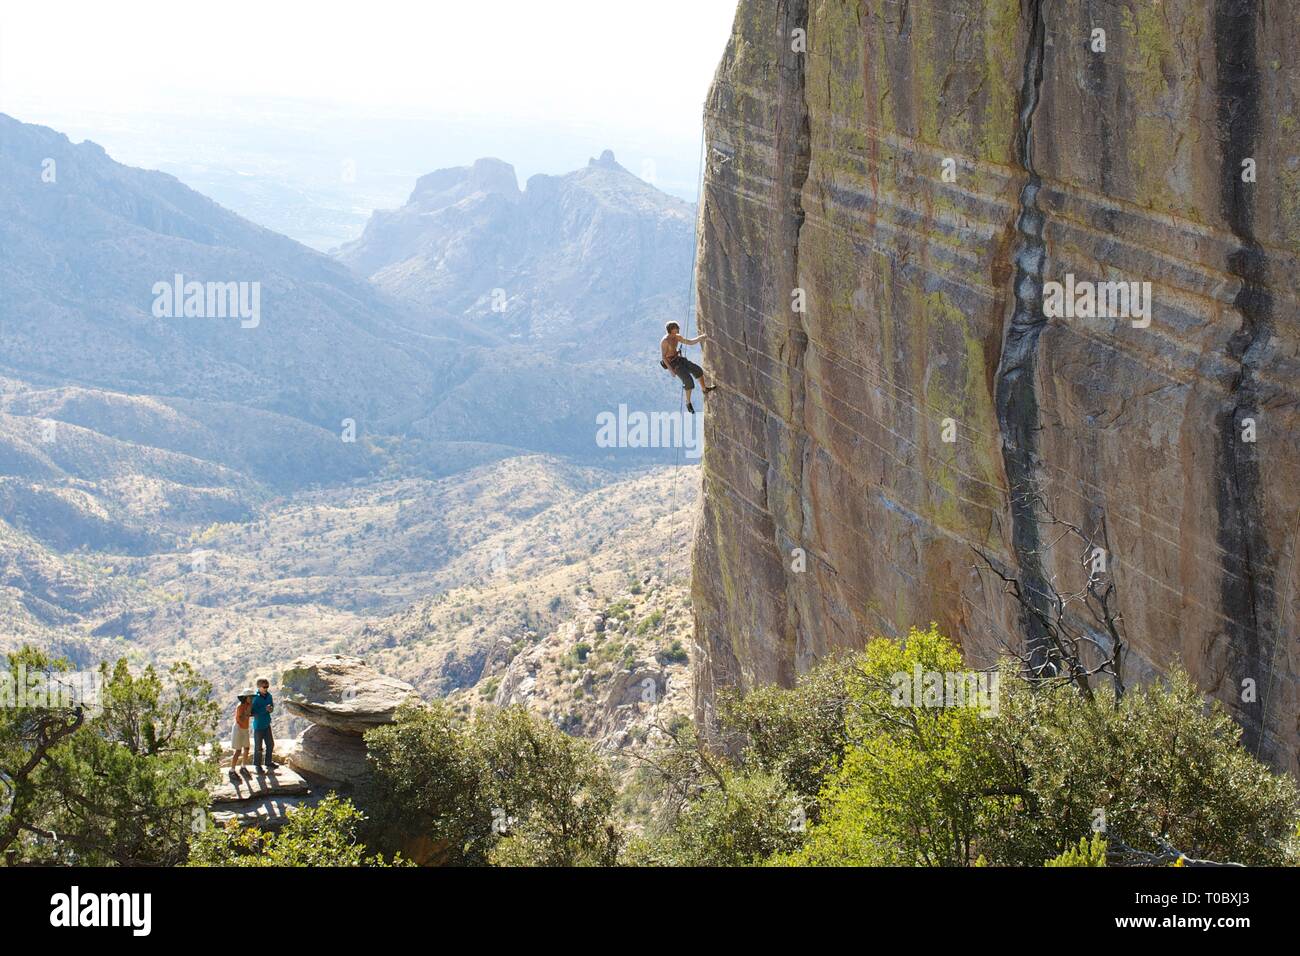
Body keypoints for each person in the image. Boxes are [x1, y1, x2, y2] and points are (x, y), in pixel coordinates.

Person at [660, 321, 716, 414]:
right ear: (671, 330)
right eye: (676, 329)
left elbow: (689, 342)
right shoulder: (665, 341)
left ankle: (704, 389)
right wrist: (671, 370)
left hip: (679, 359)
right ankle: (688, 403)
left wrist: (700, 338)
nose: (678, 330)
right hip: (673, 364)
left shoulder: (677, 337)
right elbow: (663, 357)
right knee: (688, 381)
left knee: (697, 370)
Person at [250, 678, 277, 772]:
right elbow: (253, 712)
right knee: (258, 747)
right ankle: (257, 766)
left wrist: (270, 709)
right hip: (258, 726)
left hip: (266, 724)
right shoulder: (255, 698)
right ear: (259, 687)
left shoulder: (269, 696)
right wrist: (264, 710)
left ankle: (268, 762)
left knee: (270, 744)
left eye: (267, 687)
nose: (266, 689)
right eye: (264, 687)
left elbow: (272, 707)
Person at [229, 689, 253, 775]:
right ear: (245, 698)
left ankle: (243, 767)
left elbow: (251, 714)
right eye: (250, 697)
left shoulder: (249, 705)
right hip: (238, 728)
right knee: (238, 750)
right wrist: (247, 713)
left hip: (245, 728)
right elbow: (240, 719)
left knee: (246, 748)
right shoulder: (240, 706)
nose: (252, 698)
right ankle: (232, 770)